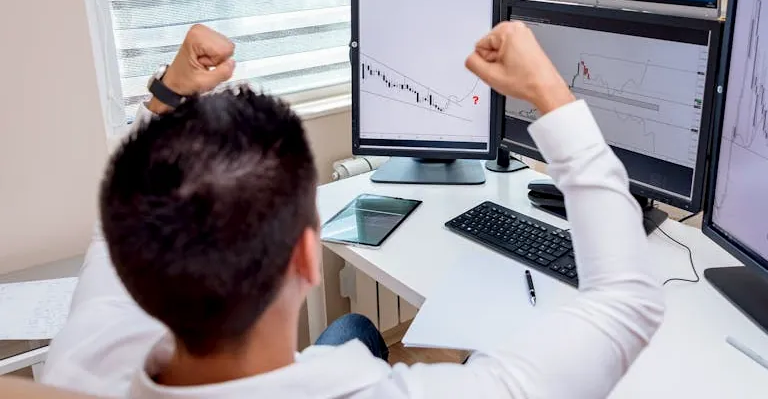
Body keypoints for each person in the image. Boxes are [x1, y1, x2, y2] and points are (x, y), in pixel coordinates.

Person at [42, 22, 664, 398]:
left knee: (356, 336)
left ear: (131, 261)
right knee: (369, 348)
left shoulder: (87, 352)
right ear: (308, 258)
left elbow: (116, 203)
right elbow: (629, 299)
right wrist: (547, 92)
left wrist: (168, 94)